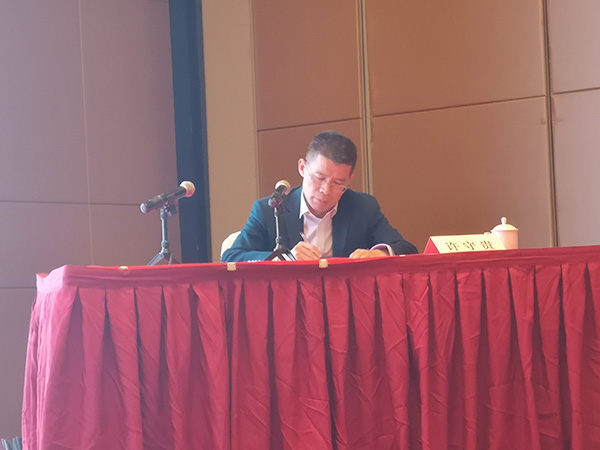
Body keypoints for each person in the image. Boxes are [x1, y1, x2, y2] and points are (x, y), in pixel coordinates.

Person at [221, 131, 418, 262]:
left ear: (350, 180)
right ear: (302, 168)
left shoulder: (363, 207)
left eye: (338, 183)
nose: (325, 190)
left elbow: (407, 249)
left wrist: (380, 253)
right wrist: (284, 258)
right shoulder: (270, 210)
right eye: (319, 178)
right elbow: (232, 257)